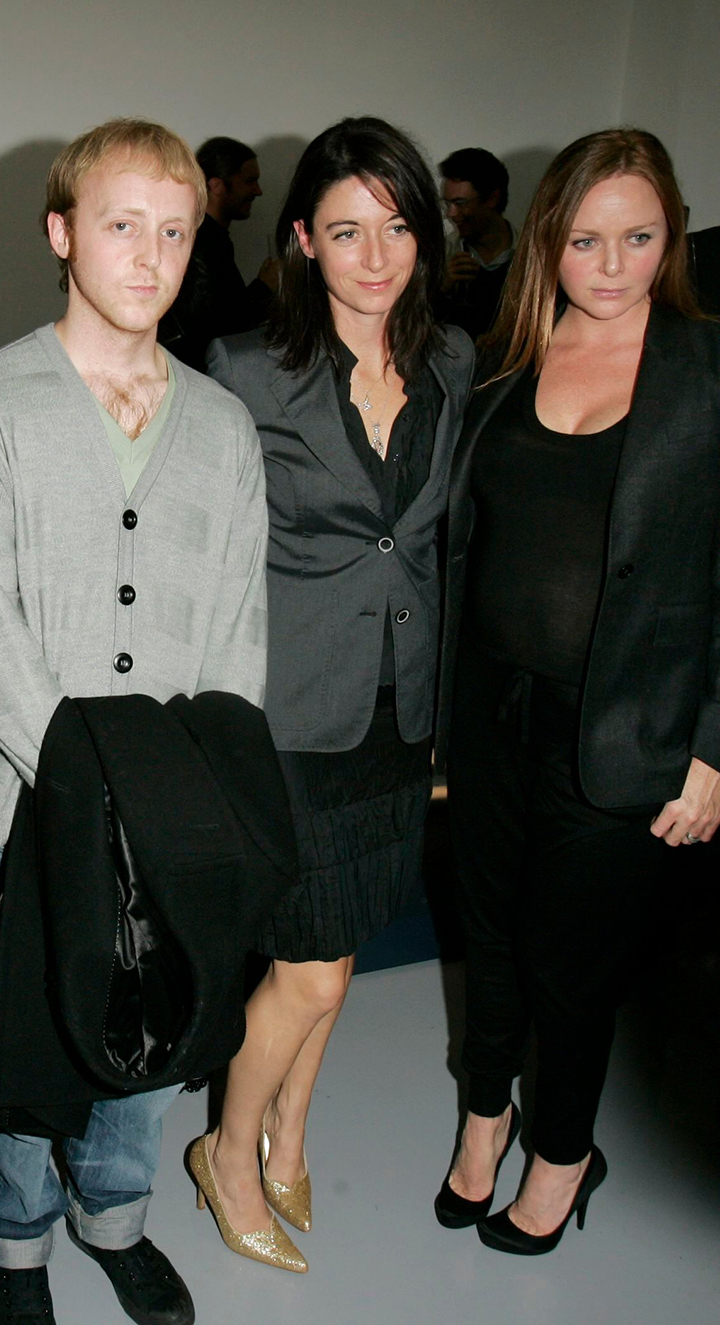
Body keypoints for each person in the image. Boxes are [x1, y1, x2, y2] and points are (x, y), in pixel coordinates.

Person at [0, 118, 269, 1325]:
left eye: (176, 231)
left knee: (154, 1037)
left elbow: (238, 632)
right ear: (63, 233)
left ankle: (113, 1217)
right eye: (122, 224)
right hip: (26, 808)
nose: (150, 254)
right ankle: (12, 1243)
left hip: (172, 820)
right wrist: (87, 784)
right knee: (29, 1050)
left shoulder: (224, 429)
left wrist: (197, 807)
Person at [433, 128, 720, 1254]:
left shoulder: (705, 371)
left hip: (628, 726)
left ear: (671, 237)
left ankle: (563, 1152)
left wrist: (713, 744)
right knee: (487, 937)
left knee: (573, 963)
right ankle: (482, 1117)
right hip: (492, 709)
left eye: (639, 237)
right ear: (549, 240)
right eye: (587, 239)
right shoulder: (500, 367)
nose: (611, 264)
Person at [199, 116, 474, 1270]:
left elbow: (442, 546)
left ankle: (289, 1132)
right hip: (287, 713)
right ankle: (225, 1147)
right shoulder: (244, 369)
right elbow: (204, 552)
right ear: (303, 237)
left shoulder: (454, 362)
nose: (375, 254)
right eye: (347, 229)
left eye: (398, 226)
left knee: (345, 951)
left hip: (397, 711)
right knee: (303, 962)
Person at [161, 136, 277, 370]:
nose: (259, 191)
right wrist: (265, 287)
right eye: (249, 181)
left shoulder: (208, 237)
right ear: (216, 185)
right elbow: (216, 328)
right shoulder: (203, 242)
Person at [438, 148, 515, 340]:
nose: (451, 214)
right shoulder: (441, 253)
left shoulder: (532, 254)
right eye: (447, 204)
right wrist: (441, 289)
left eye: (460, 203)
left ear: (492, 198)